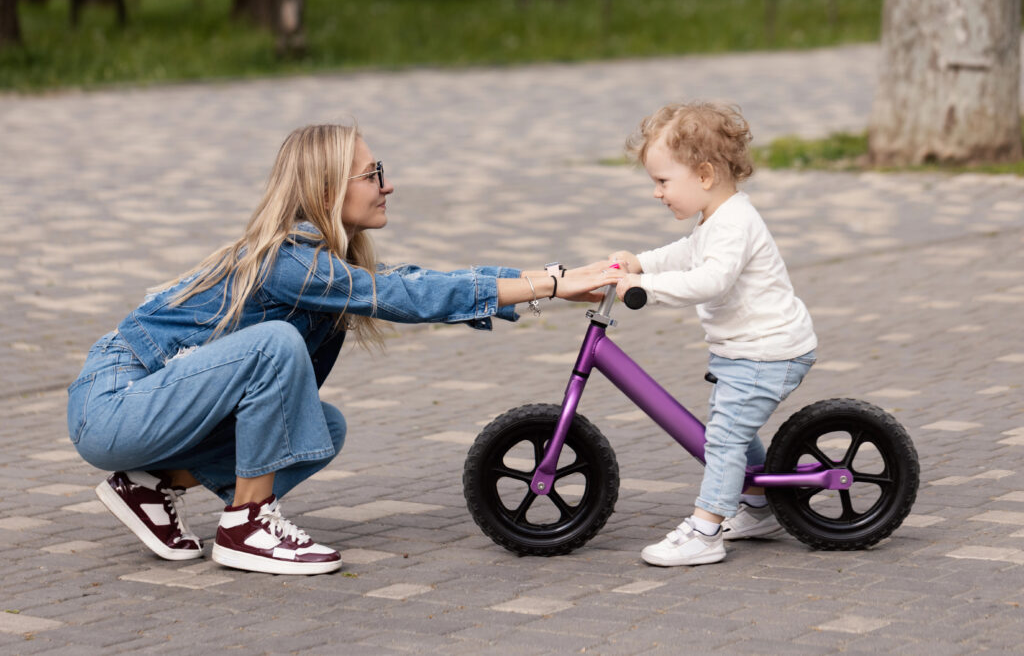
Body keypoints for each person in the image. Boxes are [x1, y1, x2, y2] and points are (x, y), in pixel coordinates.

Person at [66, 123, 618, 576]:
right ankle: (248, 524)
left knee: (319, 429)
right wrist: (551, 283)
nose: (387, 185)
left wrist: (556, 275)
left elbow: (411, 280)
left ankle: (149, 485)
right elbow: (404, 295)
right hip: (115, 403)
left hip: (144, 410)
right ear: (329, 191)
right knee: (275, 343)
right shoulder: (290, 261)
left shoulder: (321, 266)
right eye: (374, 174)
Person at [605, 102, 817, 567]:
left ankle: (705, 530)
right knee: (733, 426)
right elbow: (687, 252)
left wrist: (645, 289)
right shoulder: (716, 218)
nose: (657, 193)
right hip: (748, 352)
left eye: (662, 182)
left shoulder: (734, 224)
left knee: (723, 437)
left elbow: (710, 280)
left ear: (703, 175)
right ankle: (759, 508)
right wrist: (641, 262)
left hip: (767, 352)